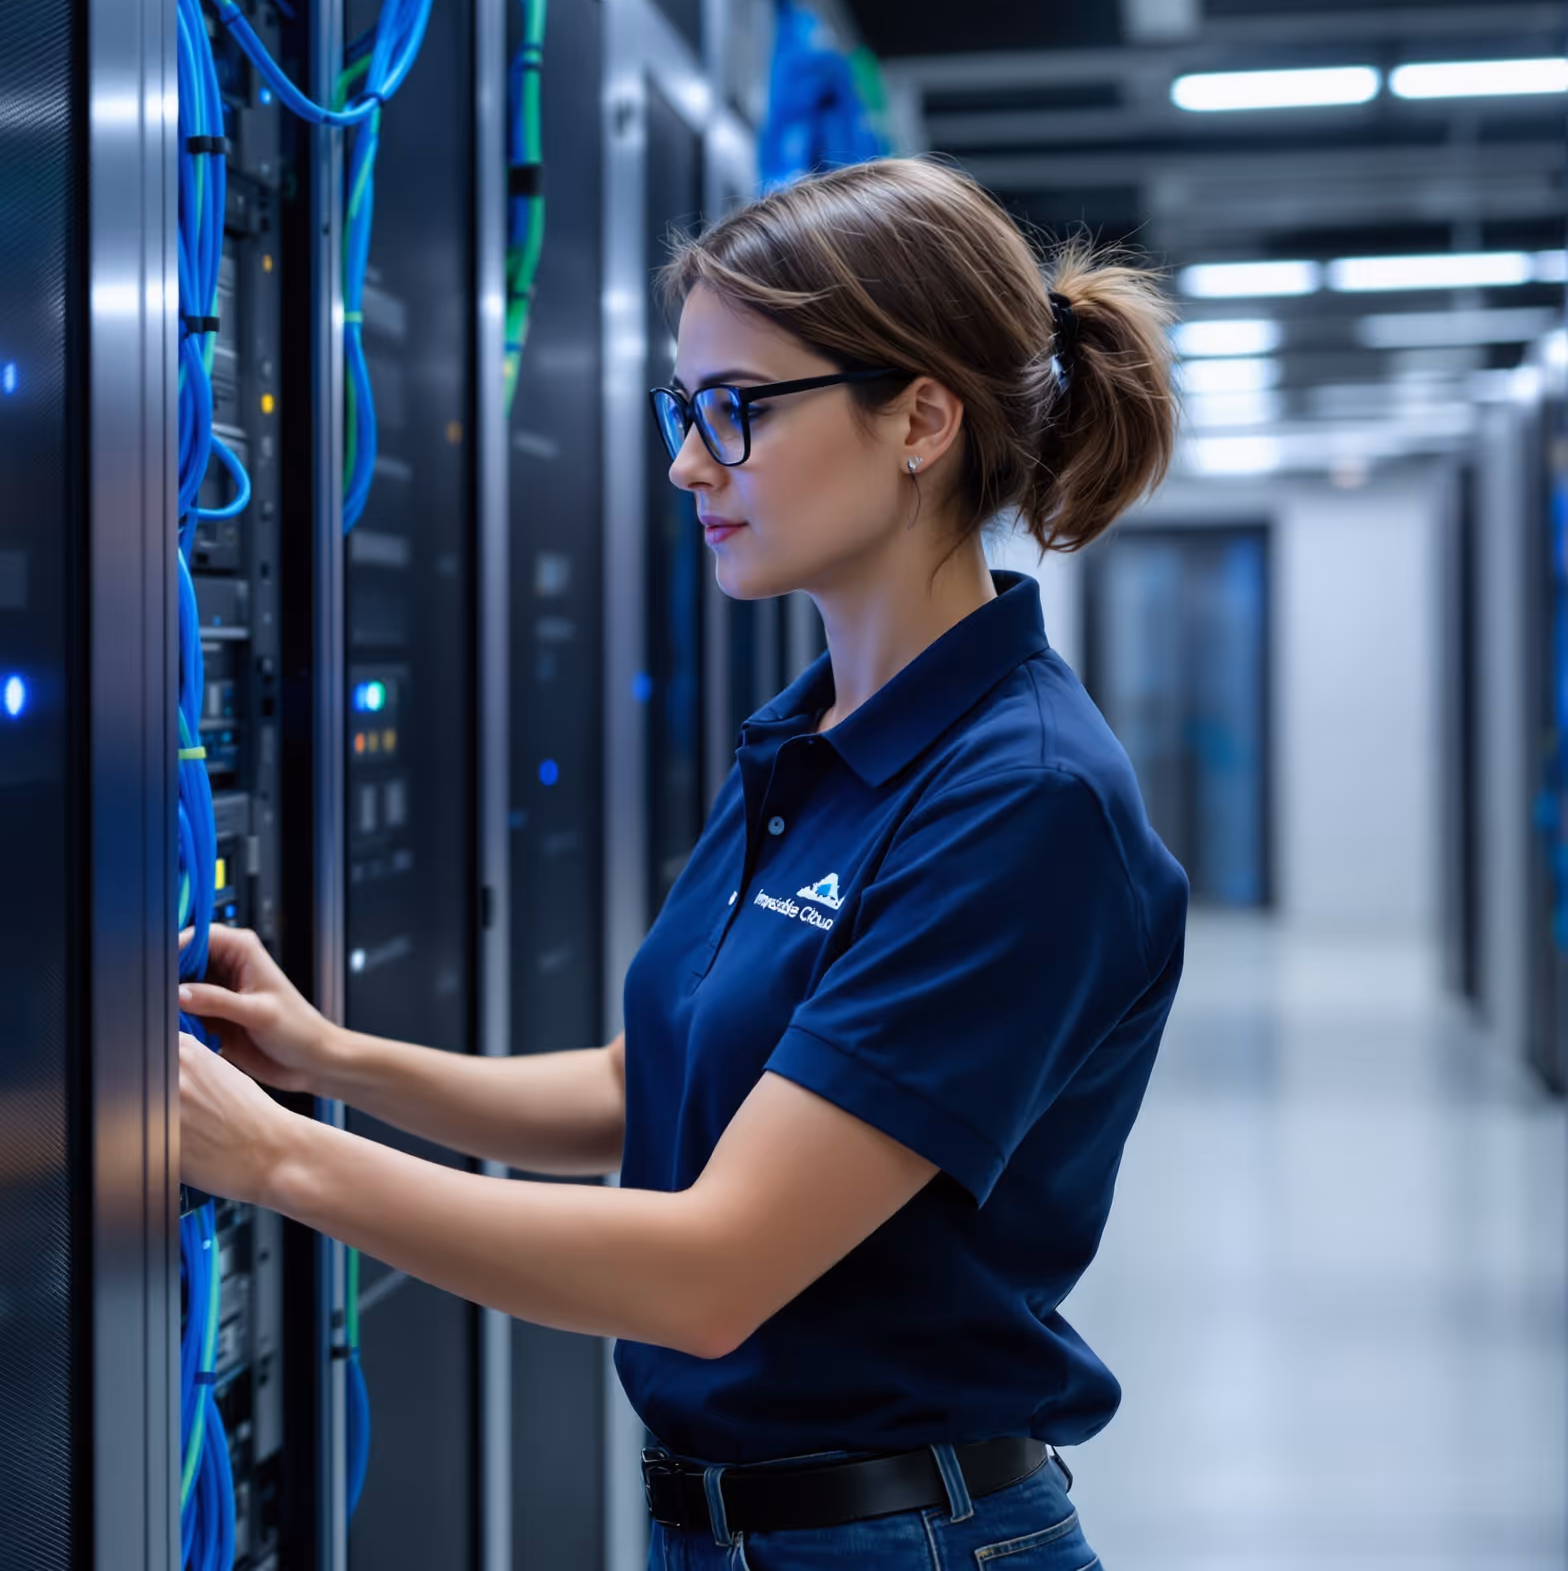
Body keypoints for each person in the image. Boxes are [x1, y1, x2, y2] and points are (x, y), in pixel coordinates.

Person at [176, 156, 1188, 1569]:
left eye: (738, 411)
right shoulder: (819, 735)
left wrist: (278, 1160)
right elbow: (643, 1085)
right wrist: (328, 1062)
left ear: (921, 419)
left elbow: (714, 1269)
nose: (687, 461)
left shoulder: (1020, 801)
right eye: (684, 408)